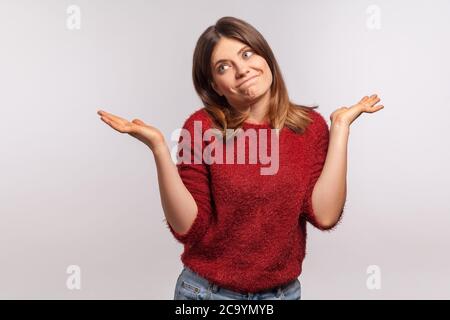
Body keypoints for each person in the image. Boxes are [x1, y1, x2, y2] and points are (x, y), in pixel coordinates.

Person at [96, 16, 384, 300]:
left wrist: (341, 129)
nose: (242, 69)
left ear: (265, 56)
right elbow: (188, 227)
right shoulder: (201, 129)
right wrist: (159, 148)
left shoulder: (309, 127)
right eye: (224, 67)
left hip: (283, 295)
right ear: (215, 85)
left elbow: (324, 215)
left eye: (247, 54)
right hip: (207, 295)